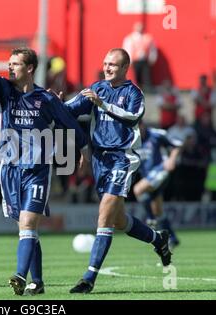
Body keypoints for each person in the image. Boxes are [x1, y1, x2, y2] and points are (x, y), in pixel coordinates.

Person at [0, 11, 88, 296]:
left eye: (16, 64)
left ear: (30, 68)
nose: (10, 68)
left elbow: (68, 122)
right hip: (10, 171)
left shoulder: (46, 99)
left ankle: (19, 274)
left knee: (28, 223)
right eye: (10, 63)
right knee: (26, 229)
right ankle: (37, 282)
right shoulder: (2, 92)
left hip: (37, 169)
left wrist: (83, 149)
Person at [64, 48, 172, 294]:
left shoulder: (133, 93)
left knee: (104, 217)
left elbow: (133, 118)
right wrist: (54, 102)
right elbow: (70, 109)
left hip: (122, 159)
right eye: (105, 63)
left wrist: (102, 104)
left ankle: (88, 278)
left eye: (113, 65)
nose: (107, 68)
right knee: (119, 220)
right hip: (100, 159)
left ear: (125, 68)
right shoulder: (97, 88)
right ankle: (158, 239)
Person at [133, 121, 182, 249]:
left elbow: (177, 145)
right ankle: (172, 237)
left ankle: (150, 219)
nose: (138, 130)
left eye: (139, 127)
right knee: (158, 210)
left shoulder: (156, 134)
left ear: (143, 125)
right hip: (148, 176)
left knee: (138, 189)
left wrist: (171, 159)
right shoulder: (132, 139)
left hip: (160, 170)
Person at [122, 22, 157, 90]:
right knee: (136, 76)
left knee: (146, 76)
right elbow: (127, 49)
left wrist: (152, 58)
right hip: (135, 60)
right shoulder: (130, 38)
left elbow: (152, 49)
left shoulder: (148, 37)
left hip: (145, 60)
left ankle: (147, 90)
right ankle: (138, 90)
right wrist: (128, 60)